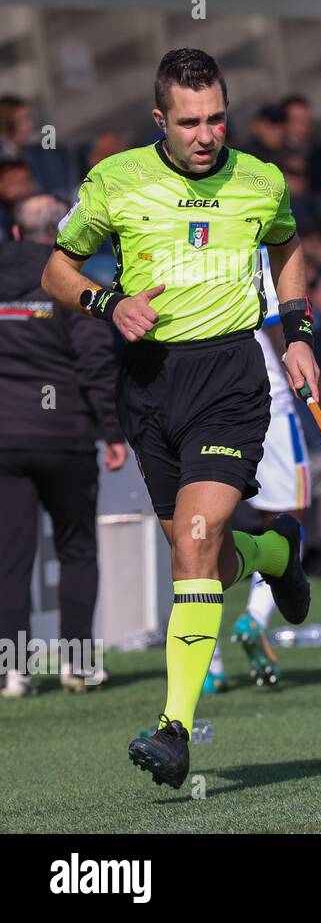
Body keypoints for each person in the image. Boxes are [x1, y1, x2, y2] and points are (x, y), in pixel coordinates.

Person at [41, 48, 321, 790]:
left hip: (231, 376)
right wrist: (108, 302)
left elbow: (288, 245)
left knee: (194, 547)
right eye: (191, 122)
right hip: (149, 382)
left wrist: (297, 335)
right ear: (160, 120)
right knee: (206, 556)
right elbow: (58, 270)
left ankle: (174, 728)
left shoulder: (260, 180)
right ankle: (278, 555)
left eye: (218, 118)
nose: (207, 135)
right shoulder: (117, 180)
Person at [0, 194, 126, 698]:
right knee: (76, 549)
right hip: (66, 437)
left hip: (5, 440)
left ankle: (13, 669)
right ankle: (77, 665)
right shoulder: (72, 282)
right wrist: (113, 432)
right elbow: (96, 361)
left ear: (12, 233)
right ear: (62, 237)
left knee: (10, 555)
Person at [204, 249, 315, 694]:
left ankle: (207, 660)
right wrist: (299, 363)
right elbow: (277, 325)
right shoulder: (254, 235)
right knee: (288, 517)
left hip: (194, 398)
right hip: (265, 398)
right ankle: (255, 617)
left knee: (199, 530)